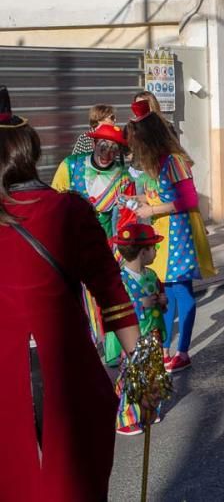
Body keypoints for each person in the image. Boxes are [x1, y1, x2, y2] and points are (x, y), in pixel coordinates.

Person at [1, 86, 147, 500]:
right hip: (66, 374)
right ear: (29, 152)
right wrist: (141, 366)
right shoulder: (70, 211)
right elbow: (113, 297)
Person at [128, 98, 216, 372]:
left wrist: (151, 207)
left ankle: (183, 350)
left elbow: (188, 199)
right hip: (162, 229)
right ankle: (165, 347)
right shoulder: (156, 163)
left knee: (181, 290)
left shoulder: (175, 161)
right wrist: (135, 199)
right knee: (164, 289)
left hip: (179, 231)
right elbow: (160, 193)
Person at [52, 121, 132, 359]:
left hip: (105, 249)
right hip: (74, 247)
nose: (107, 154)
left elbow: (125, 219)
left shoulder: (123, 178)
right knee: (76, 303)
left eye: (113, 149)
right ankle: (82, 349)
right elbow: (55, 202)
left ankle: (111, 350)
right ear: (94, 143)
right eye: (103, 147)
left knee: (109, 301)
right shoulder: (71, 166)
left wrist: (121, 251)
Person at [112, 222, 168, 436]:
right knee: (134, 373)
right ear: (143, 252)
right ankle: (126, 418)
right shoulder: (121, 279)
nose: (156, 252)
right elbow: (117, 308)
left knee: (153, 372)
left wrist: (162, 301)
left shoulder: (152, 275)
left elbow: (161, 303)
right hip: (133, 335)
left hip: (153, 332)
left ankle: (148, 410)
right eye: (154, 248)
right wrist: (139, 305)